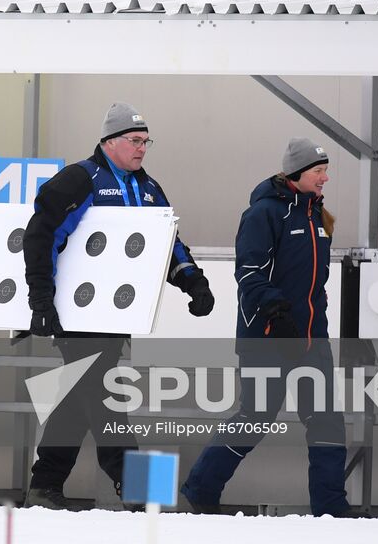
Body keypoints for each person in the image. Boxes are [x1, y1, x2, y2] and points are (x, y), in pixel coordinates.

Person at [23, 102, 215, 510]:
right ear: (109, 141)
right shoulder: (80, 179)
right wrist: (40, 297)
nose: (142, 148)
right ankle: (137, 486)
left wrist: (193, 281)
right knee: (102, 393)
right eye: (134, 140)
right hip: (75, 313)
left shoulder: (149, 189)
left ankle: (44, 485)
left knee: (80, 396)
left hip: (118, 314)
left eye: (146, 141)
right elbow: (41, 235)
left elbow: (167, 243)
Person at [180, 137, 354, 518]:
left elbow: (316, 281)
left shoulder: (318, 216)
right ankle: (201, 488)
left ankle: (331, 507)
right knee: (255, 418)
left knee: (326, 420)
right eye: (318, 170)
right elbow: (249, 272)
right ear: (296, 173)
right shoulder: (264, 213)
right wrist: (277, 311)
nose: (325, 177)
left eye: (325, 170)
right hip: (268, 338)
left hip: (311, 338)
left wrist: (315, 322)